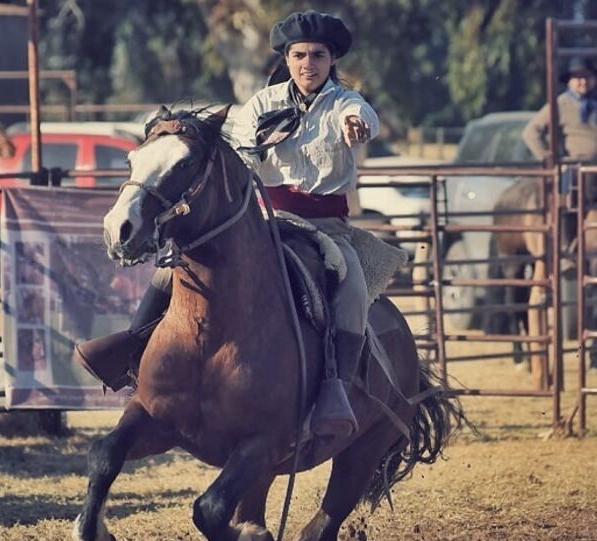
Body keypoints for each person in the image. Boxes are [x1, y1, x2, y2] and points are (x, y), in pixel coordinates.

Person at [76, 10, 379, 437]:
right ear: (287, 60)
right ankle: (133, 347)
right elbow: (239, 154)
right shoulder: (261, 104)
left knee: (352, 291)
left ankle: (337, 390)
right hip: (266, 218)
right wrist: (256, 145)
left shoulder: (346, 104)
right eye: (299, 55)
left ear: (332, 62)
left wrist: (357, 128)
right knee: (175, 266)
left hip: (328, 225)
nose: (308, 63)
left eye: (317, 55)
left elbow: (364, 120)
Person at [522, 58, 597, 204]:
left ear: (595, 79)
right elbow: (531, 132)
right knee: (564, 200)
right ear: (570, 81)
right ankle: (565, 225)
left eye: (588, 76)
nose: (583, 81)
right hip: (572, 166)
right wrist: (548, 159)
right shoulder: (560, 104)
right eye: (578, 77)